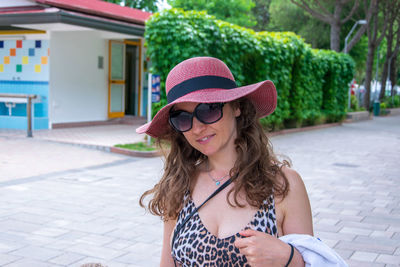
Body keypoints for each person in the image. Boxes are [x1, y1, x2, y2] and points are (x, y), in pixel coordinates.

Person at [138, 57, 313, 266]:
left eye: (208, 109)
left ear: (236, 107)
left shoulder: (283, 185)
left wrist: (288, 257)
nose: (197, 127)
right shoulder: (179, 186)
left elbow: (312, 260)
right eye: (183, 118)